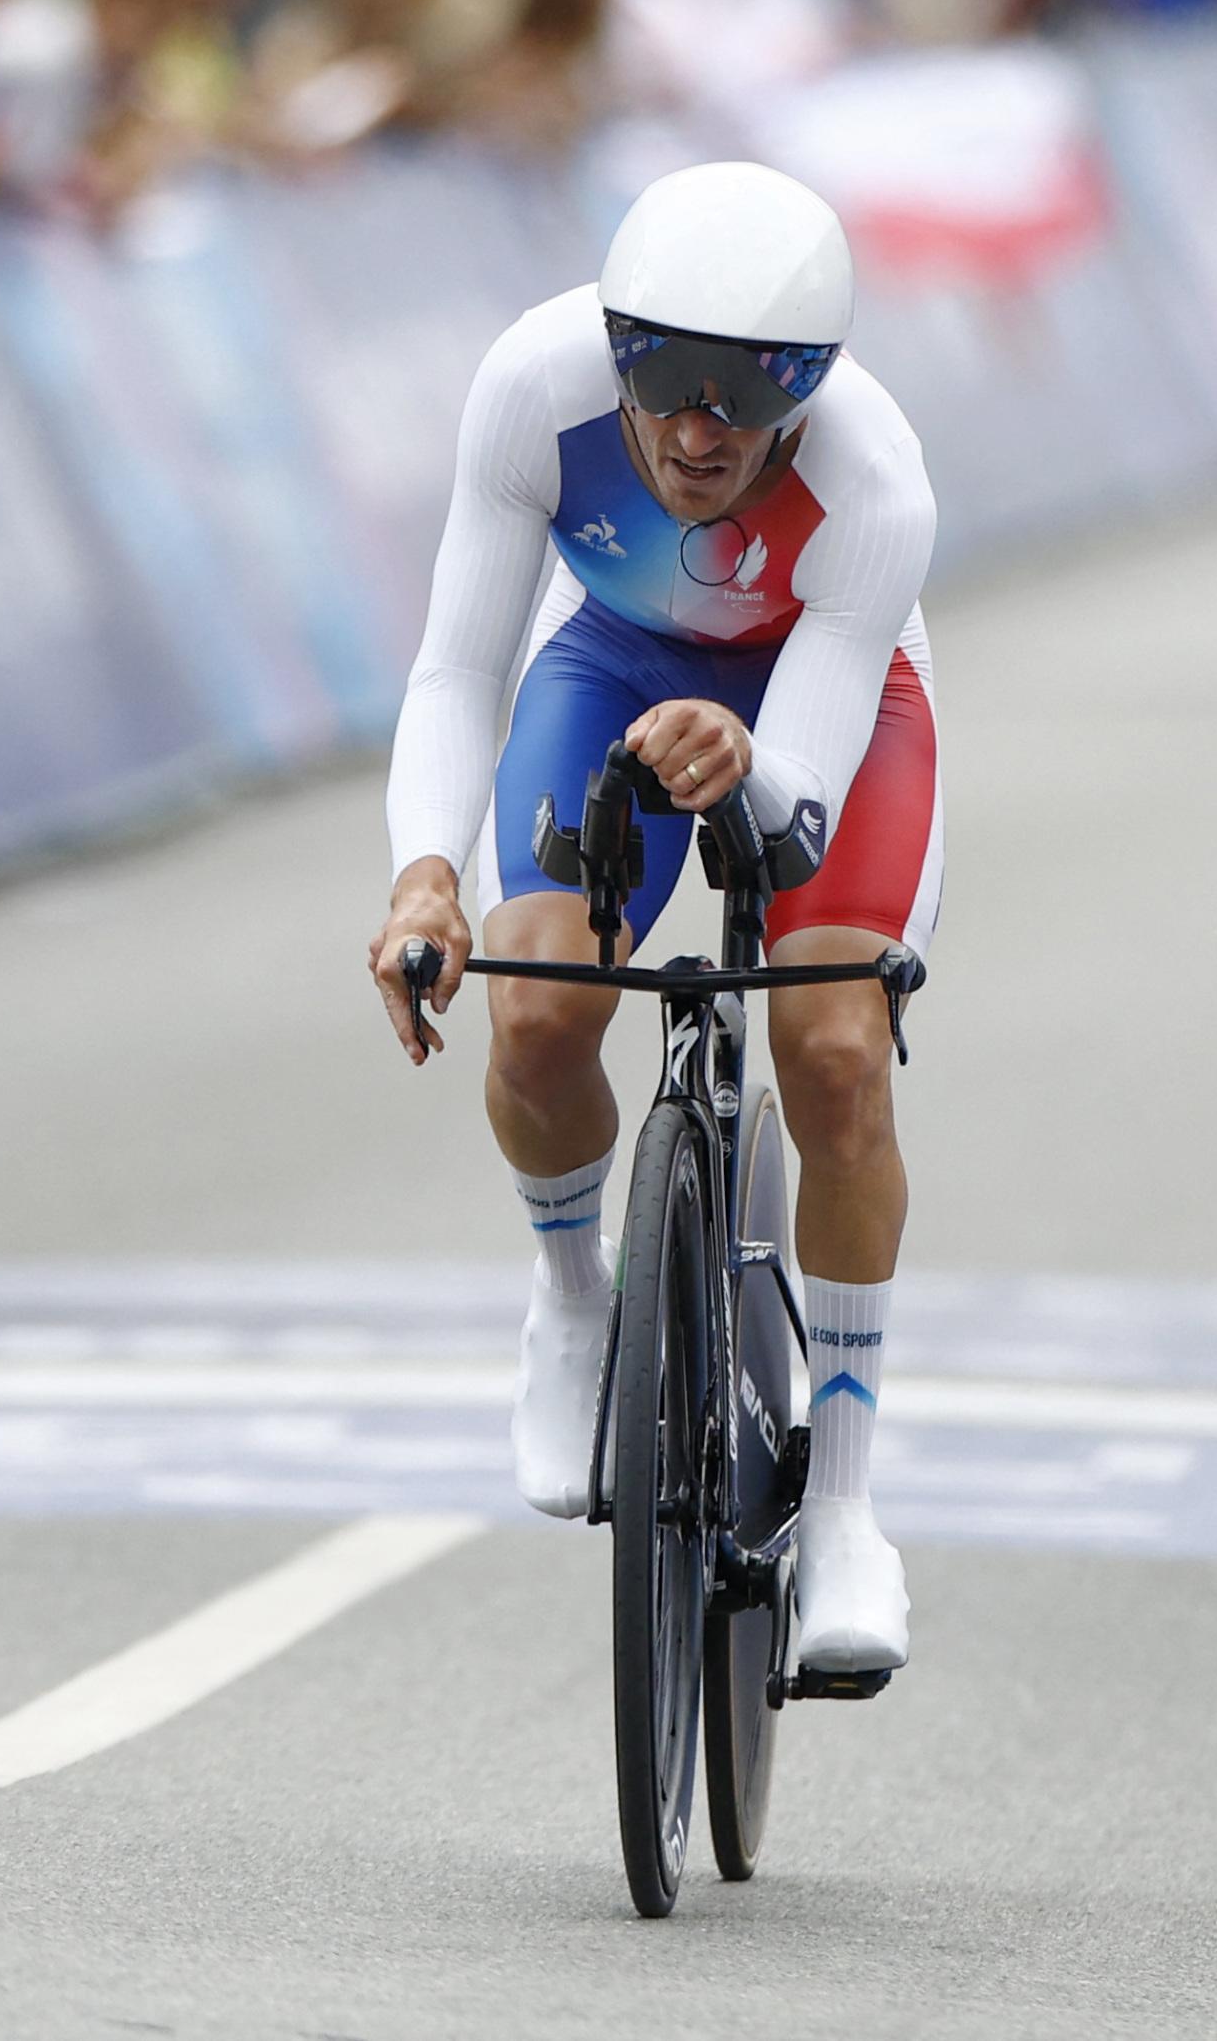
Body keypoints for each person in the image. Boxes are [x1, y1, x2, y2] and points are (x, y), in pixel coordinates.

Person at [368, 161, 940, 1674]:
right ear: (615, 349)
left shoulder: (875, 485)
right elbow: (455, 670)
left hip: (831, 707)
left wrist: (752, 772)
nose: (697, 431)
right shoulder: (532, 391)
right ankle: (572, 1299)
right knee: (541, 1006)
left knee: (833, 1053)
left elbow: (800, 794)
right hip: (612, 668)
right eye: (666, 381)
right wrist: (429, 865)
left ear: (811, 391)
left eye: (746, 398)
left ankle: (847, 1513)